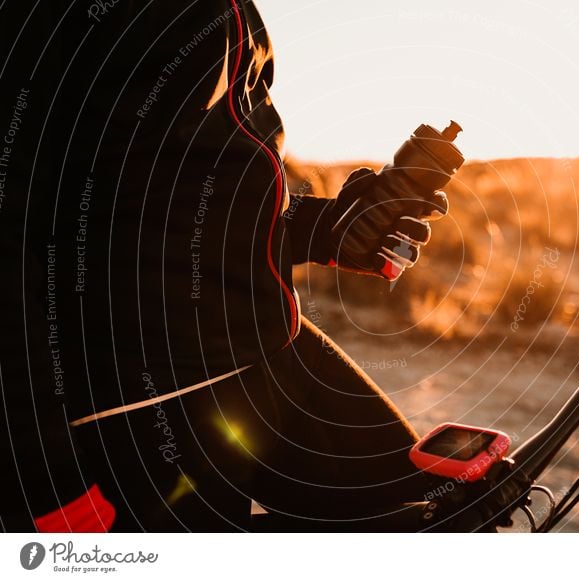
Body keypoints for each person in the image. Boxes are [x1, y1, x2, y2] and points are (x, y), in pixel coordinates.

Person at [0, 1, 449, 532]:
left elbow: (186, 200)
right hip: (136, 401)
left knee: (447, 514)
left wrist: (324, 230)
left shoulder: (238, 15)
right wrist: (46, 478)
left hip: (268, 352)